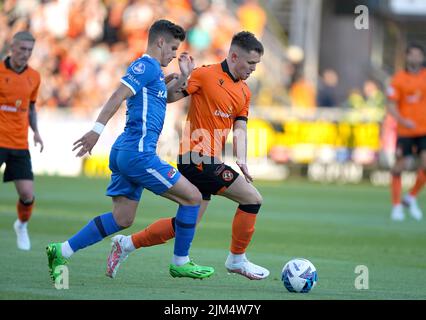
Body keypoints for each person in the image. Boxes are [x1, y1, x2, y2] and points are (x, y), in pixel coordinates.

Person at [46, 19, 214, 283]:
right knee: (193, 197)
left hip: (126, 151)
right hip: (138, 154)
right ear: (159, 42)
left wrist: (183, 78)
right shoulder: (145, 65)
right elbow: (117, 95)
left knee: (122, 218)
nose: (173, 53)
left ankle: (62, 250)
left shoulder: (155, 72)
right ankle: (180, 261)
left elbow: (166, 98)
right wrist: (96, 130)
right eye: (171, 47)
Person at [106, 31, 270, 280]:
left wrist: (242, 159)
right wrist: (184, 76)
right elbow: (169, 97)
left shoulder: (245, 92)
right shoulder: (205, 74)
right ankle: (236, 259)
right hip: (195, 157)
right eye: (250, 63)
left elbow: (240, 127)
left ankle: (126, 244)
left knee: (186, 223)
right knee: (252, 199)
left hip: (211, 160)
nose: (253, 69)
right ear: (234, 56)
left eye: (256, 65)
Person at [0, 31, 43, 251]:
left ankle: (21, 225)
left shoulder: (34, 77)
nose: (25, 54)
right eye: (22, 49)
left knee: (27, 195)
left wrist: (35, 131)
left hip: (19, 143)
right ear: (12, 48)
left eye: (29, 50)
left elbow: (31, 106)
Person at [387, 43, 426, 221]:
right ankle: (396, 206)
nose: (416, 58)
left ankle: (410, 198)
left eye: (419, 55)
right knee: (399, 167)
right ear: (407, 57)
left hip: (424, 129)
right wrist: (403, 121)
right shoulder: (398, 79)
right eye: (412, 55)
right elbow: (391, 105)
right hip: (406, 130)